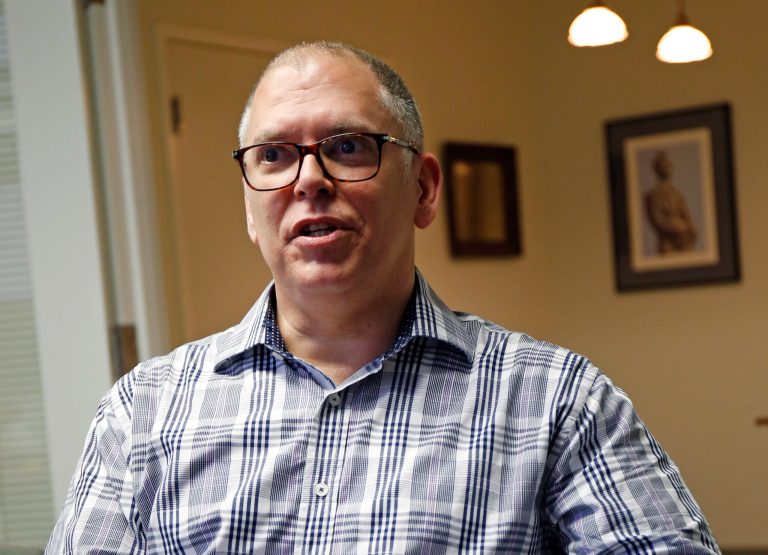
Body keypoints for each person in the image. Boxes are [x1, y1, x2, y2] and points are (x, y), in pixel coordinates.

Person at [47, 41, 720, 553]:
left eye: (346, 146)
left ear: (424, 188)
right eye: (275, 156)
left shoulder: (558, 403)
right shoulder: (143, 416)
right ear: (250, 209)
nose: (308, 181)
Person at [645, 150, 698, 254]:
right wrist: (677, 226)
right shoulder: (652, 195)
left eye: (668, 165)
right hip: (667, 244)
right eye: (663, 165)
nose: (666, 167)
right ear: (657, 168)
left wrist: (690, 227)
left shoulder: (676, 194)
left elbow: (686, 215)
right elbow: (658, 220)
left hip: (684, 243)